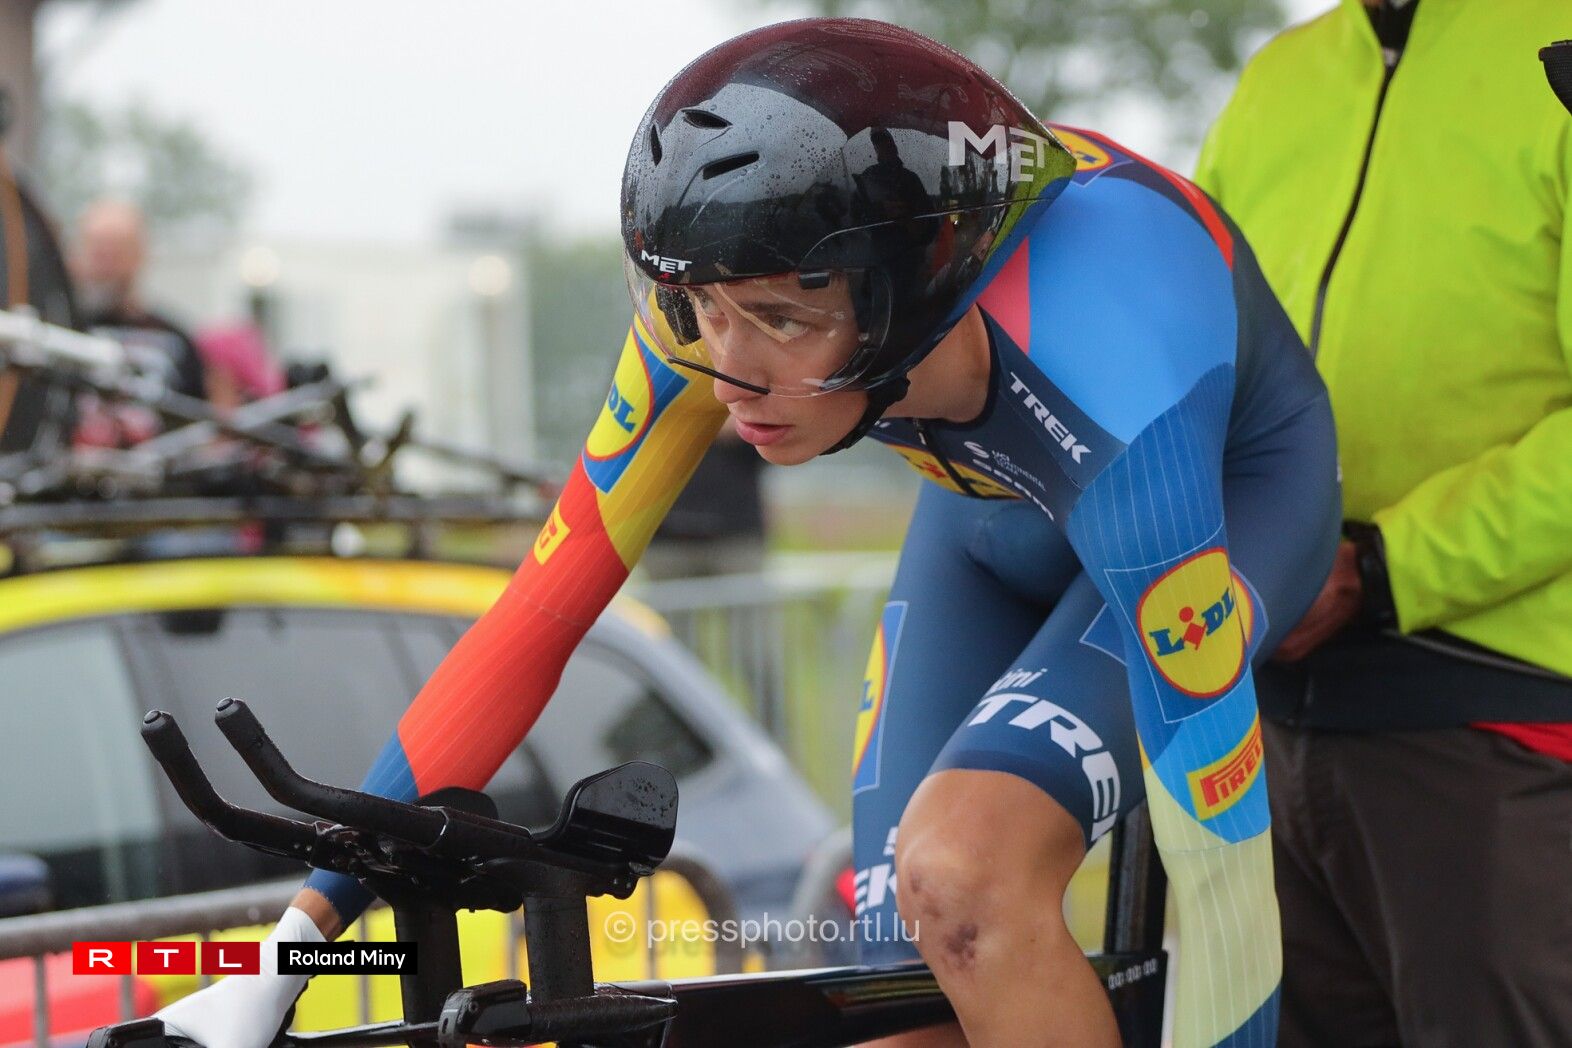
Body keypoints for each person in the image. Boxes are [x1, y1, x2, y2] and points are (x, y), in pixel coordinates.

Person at [155, 19, 1340, 1048]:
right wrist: (282, 961)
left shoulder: (1116, 366)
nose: (731, 372)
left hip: (1223, 497)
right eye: (706, 312)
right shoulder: (711, 312)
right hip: (991, 504)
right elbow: (535, 620)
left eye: (778, 318)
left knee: (964, 873)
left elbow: (1222, 868)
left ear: (920, 281)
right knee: (893, 981)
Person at [1193, 1, 1572, 1044]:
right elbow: (1190, 348)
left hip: (1492, 713)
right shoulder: (1277, 78)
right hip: (1258, 720)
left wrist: (1383, 566)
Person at [68, 197, 207, 447]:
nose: (106, 261)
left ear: (140, 254)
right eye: (97, 248)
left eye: (117, 249)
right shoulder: (57, 331)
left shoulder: (173, 339)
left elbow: (197, 429)